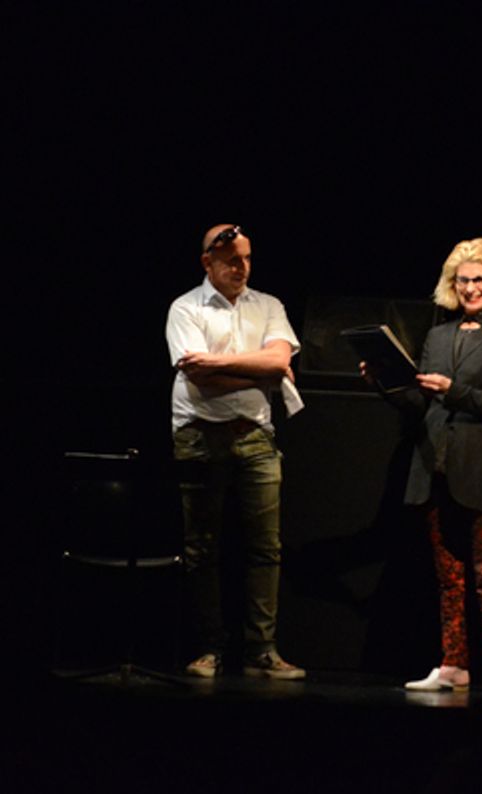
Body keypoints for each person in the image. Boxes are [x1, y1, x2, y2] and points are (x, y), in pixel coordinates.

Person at [363, 238, 482, 691]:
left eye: (481, 280)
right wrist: (386, 382)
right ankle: (454, 664)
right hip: (435, 469)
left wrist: (450, 389)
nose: (472, 288)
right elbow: (419, 404)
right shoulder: (438, 336)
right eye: (463, 281)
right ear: (451, 286)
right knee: (449, 579)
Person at [165, 223, 305, 680]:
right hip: (199, 434)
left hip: (256, 436)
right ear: (208, 262)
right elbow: (198, 377)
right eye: (231, 260)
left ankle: (261, 649)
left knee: (266, 548)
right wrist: (261, 372)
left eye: (246, 258)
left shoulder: (268, 306)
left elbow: (278, 360)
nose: (241, 267)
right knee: (202, 548)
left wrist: (229, 364)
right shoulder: (185, 308)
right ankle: (209, 647)